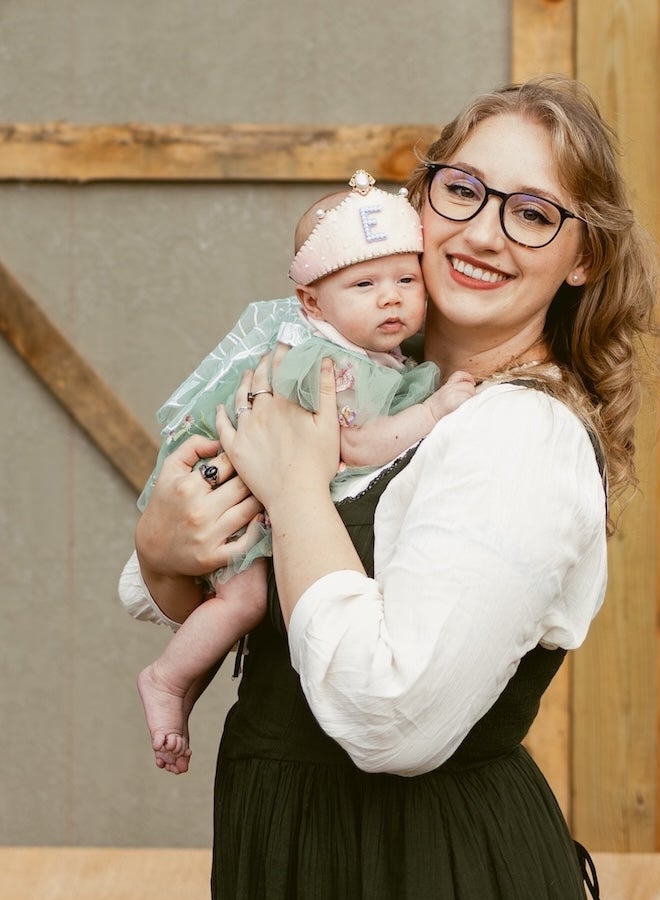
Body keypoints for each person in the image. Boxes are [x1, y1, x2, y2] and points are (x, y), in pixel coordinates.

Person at [120, 74, 660, 900]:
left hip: (427, 897)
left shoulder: (516, 436)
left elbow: (394, 714)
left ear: (582, 257)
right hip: (289, 873)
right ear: (423, 200)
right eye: (463, 190)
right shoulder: (362, 379)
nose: (484, 231)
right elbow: (161, 588)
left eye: (534, 212)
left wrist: (293, 491)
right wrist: (158, 542)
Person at [135, 173, 476, 774]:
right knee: (242, 604)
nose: (391, 298)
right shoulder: (325, 364)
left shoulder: (372, 355)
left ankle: (181, 690)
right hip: (234, 498)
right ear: (312, 303)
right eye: (364, 284)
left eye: (406, 279)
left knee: (241, 607)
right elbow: (358, 445)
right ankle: (166, 680)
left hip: (265, 505)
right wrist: (434, 409)